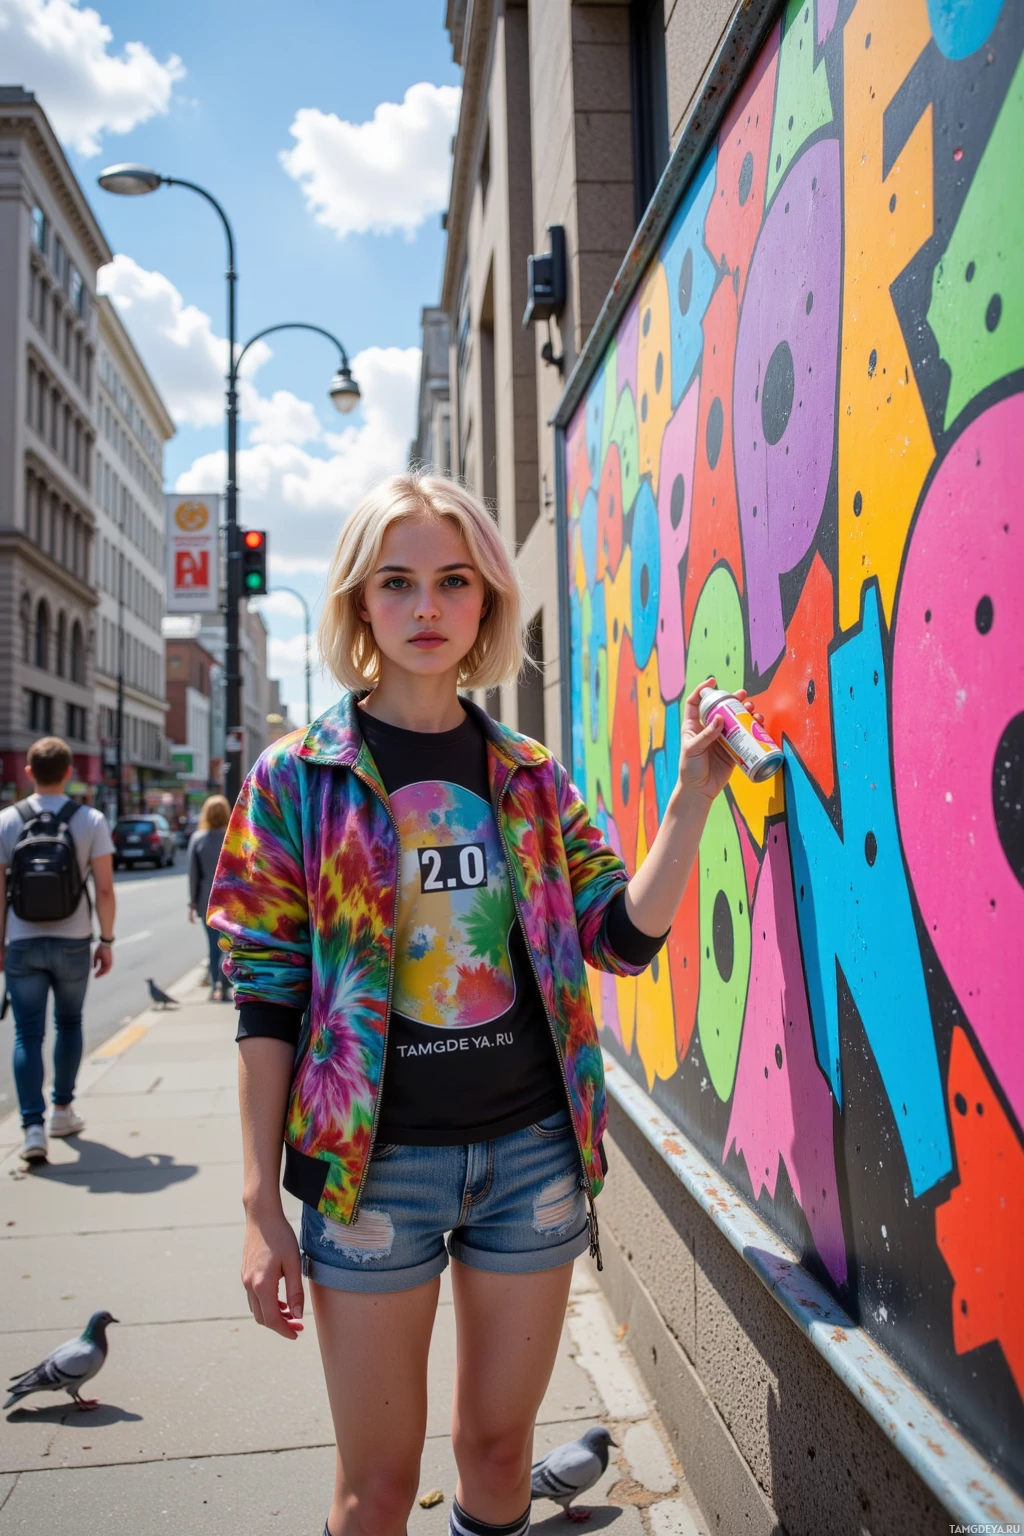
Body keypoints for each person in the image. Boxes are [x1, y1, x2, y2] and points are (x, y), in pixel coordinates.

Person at [207, 472, 749, 1536]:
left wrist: (692, 796)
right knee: (374, 1491)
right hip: (372, 1175)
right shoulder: (298, 778)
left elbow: (618, 938)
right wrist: (260, 1205)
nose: (426, 606)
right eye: (397, 582)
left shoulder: (530, 776)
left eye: (454, 581)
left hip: (529, 1159)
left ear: (488, 599)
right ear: (360, 601)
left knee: (500, 1456)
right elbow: (264, 998)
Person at [0, 737, 116, 1164]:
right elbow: (104, 889)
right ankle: (62, 1110)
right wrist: (106, 940)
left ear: (29, 772)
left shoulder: (7, 820)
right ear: (69, 772)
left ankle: (32, 1126)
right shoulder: (90, 819)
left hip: (22, 940)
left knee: (26, 1033)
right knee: (69, 1023)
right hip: (73, 940)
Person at [187, 794, 232, 1002]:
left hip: (207, 901)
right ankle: (227, 984)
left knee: (213, 947)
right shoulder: (233, 837)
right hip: (231, 901)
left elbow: (193, 875)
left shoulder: (198, 839)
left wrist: (192, 903)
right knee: (229, 946)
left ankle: (215, 987)